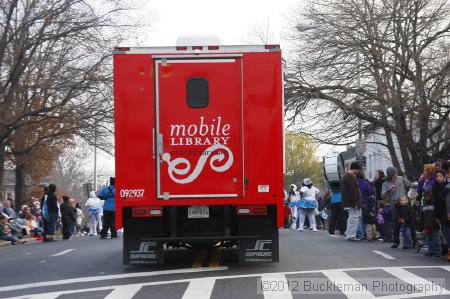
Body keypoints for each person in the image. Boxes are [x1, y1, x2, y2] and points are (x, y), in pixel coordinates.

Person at [381, 166, 411, 242]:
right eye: (395, 173)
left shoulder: (400, 178)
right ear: (391, 174)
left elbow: (409, 185)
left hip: (404, 204)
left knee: (406, 222)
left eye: (396, 173)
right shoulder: (385, 183)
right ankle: (396, 241)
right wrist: (389, 189)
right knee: (395, 224)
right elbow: (382, 195)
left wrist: (419, 185)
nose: (396, 174)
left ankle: (408, 242)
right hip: (394, 205)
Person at [341, 162, 362, 241]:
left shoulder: (345, 176)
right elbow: (353, 191)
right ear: (355, 169)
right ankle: (351, 235)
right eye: (358, 170)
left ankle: (349, 233)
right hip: (352, 202)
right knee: (354, 218)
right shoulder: (350, 177)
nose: (359, 172)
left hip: (347, 201)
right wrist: (355, 203)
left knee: (351, 218)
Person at [422, 192, 440, 257]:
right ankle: (431, 251)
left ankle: (437, 252)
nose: (427, 197)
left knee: (436, 239)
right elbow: (423, 216)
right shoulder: (424, 205)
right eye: (426, 196)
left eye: (428, 196)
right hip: (427, 225)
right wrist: (423, 226)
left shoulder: (434, 204)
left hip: (434, 225)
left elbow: (437, 214)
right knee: (429, 239)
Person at [438, 161, 450, 261]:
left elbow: (448, 200)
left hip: (447, 212)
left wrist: (449, 212)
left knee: (447, 232)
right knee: (446, 233)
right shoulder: (447, 184)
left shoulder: (448, 185)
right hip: (445, 212)